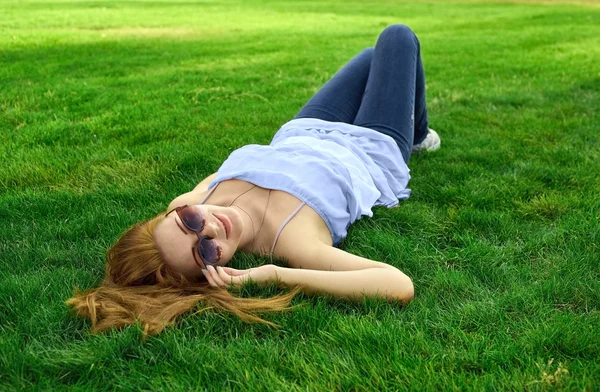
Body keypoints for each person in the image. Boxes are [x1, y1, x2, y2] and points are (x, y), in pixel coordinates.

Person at [67, 24, 441, 335]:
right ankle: (416, 135)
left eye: (190, 221)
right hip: (369, 148)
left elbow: (211, 184)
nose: (211, 227)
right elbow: (398, 285)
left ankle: (415, 127)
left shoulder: (185, 204)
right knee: (397, 39)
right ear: (217, 270)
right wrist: (274, 274)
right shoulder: (292, 243)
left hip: (305, 129)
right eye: (207, 251)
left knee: (372, 57)